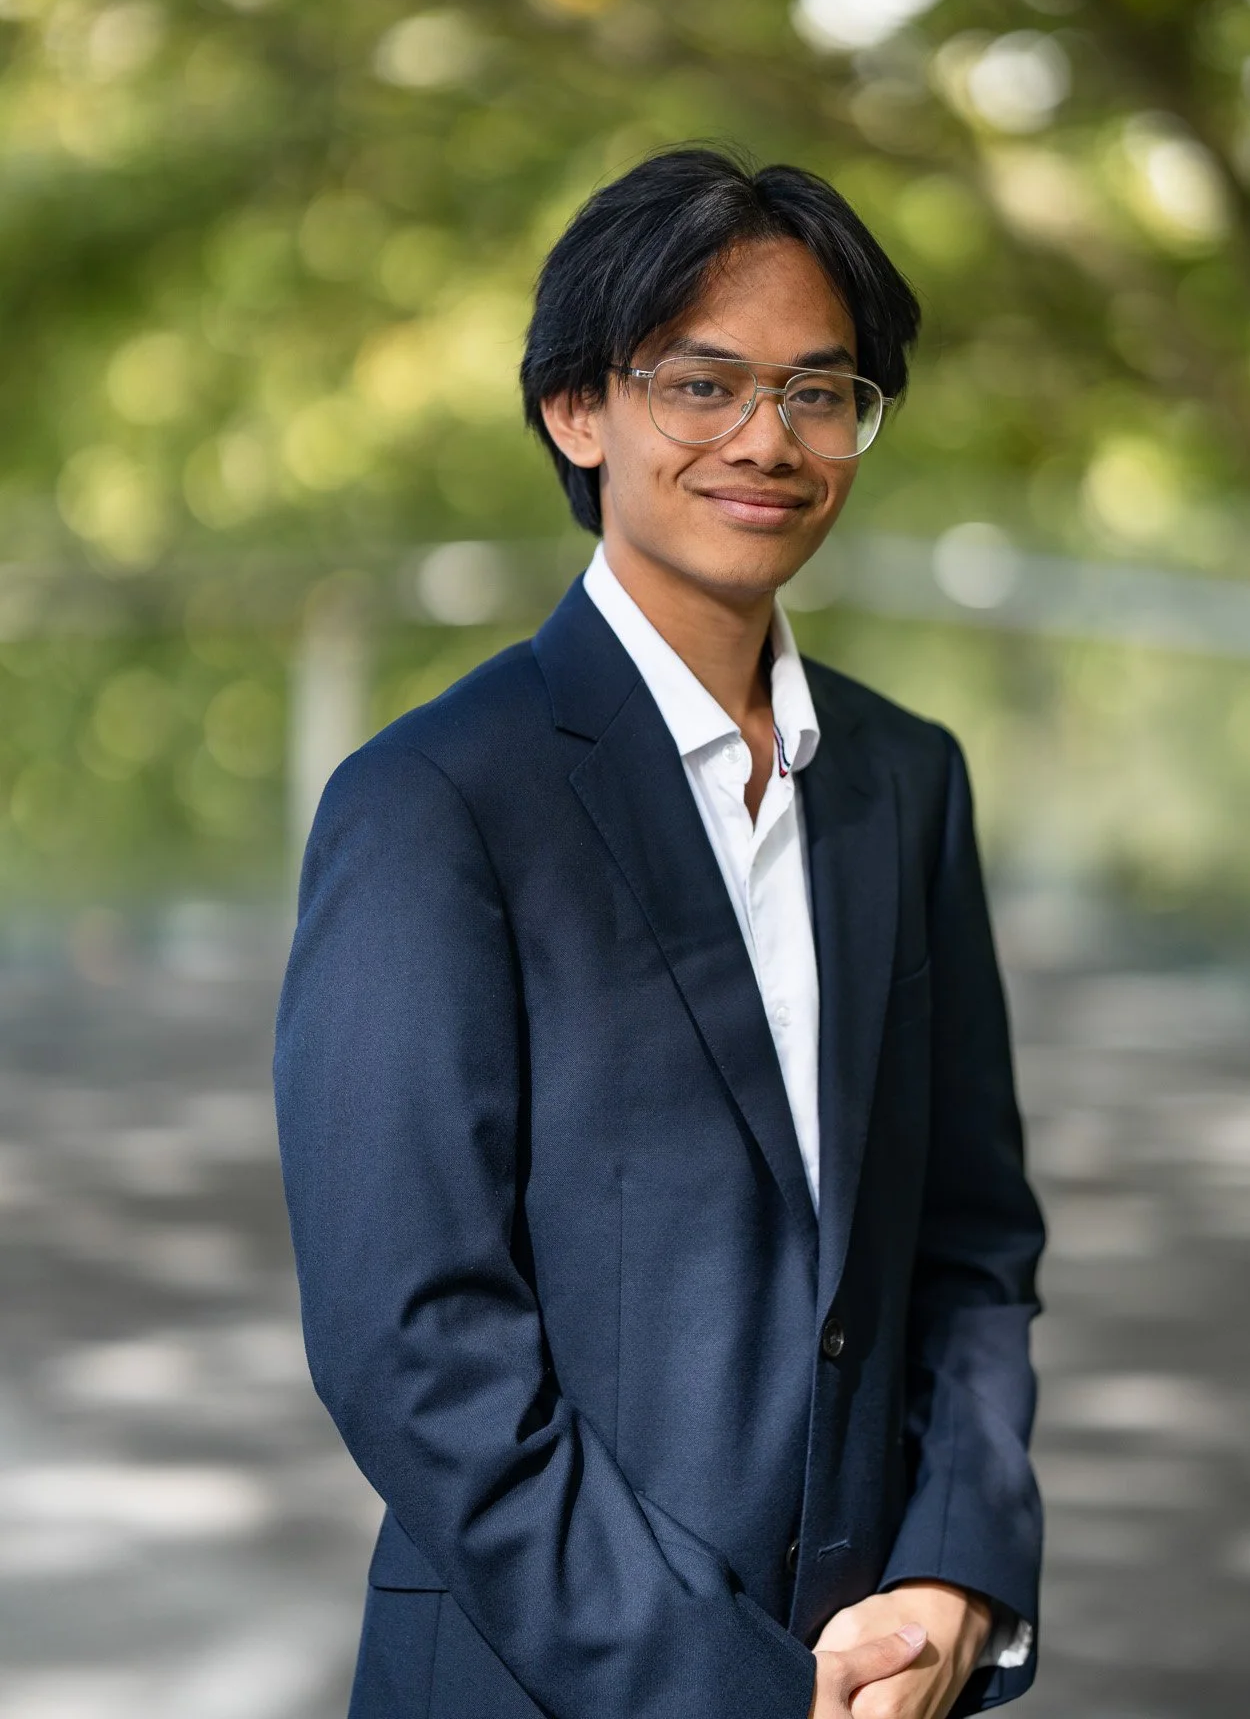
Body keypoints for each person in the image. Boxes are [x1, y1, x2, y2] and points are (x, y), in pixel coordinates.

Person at [274, 147, 1046, 1719]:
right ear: (578, 407)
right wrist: (745, 1695)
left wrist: (956, 1580)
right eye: (703, 384)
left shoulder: (908, 780)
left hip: (880, 1675)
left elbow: (970, 1249)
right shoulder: (432, 799)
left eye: (822, 392)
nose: (771, 439)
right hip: (547, 1685)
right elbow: (415, 1344)